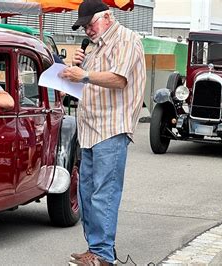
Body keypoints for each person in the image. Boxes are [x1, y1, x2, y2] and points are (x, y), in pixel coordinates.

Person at [59, 0, 146, 265]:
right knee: (86, 192)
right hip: (90, 129)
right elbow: (88, 85)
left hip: (112, 127)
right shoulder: (94, 47)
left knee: (104, 193)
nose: (86, 30)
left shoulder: (126, 40)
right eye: (83, 26)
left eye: (89, 24)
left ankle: (103, 255)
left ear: (107, 17)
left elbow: (119, 79)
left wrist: (84, 74)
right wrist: (73, 73)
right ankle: (94, 249)